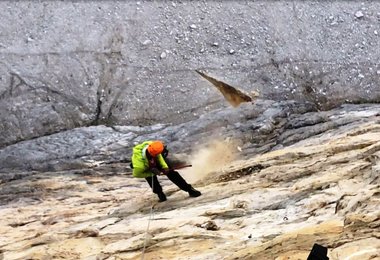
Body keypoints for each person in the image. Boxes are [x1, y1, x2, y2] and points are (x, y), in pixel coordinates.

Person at [131, 140, 201, 202]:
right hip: (146, 166)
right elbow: (137, 174)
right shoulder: (139, 165)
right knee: (151, 179)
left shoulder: (153, 147)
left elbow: (159, 157)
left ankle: (189, 189)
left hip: (153, 158)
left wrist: (165, 167)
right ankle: (159, 193)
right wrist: (151, 172)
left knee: (171, 173)